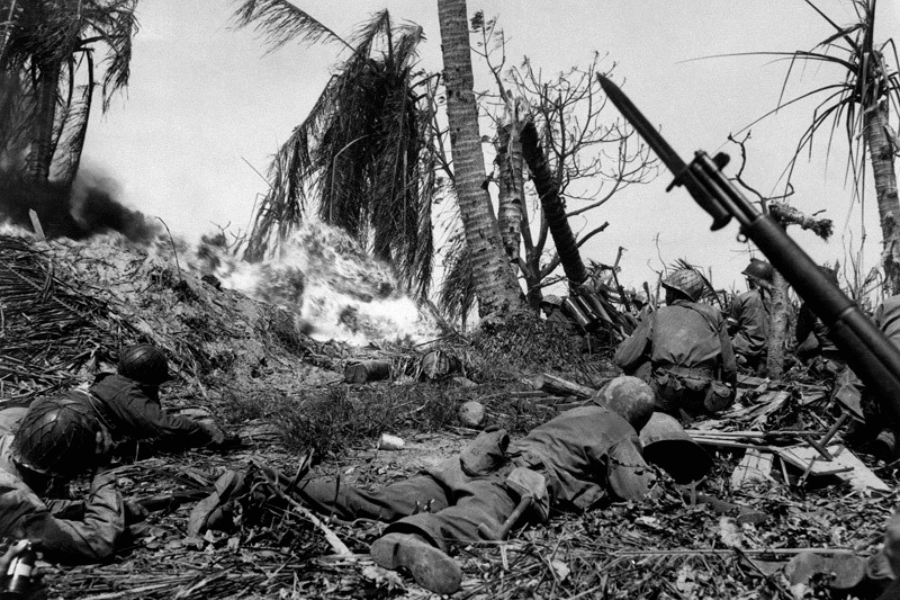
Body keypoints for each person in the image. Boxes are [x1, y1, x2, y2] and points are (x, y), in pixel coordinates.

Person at [286, 376, 658, 595]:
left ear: (605, 395)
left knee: (380, 497)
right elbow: (638, 494)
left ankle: (275, 487)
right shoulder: (620, 432)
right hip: (507, 481)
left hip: (471, 462)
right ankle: (413, 539)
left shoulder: (577, 412)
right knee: (474, 517)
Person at [0, 395, 131, 564]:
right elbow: (98, 541)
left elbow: (37, 502)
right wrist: (101, 470)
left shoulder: (7, 440)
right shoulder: (9, 496)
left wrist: (83, 508)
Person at [614, 268, 737, 419]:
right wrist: (730, 394)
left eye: (668, 292)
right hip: (704, 396)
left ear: (672, 294)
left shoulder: (657, 315)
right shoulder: (713, 315)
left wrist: (626, 343)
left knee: (640, 364)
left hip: (666, 394)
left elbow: (623, 359)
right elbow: (729, 366)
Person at [84, 344, 230, 453]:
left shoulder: (110, 384)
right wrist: (203, 430)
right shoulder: (124, 392)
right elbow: (162, 424)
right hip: (72, 423)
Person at [729, 258, 772, 373]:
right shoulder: (778, 301)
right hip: (768, 353)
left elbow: (730, 327)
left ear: (752, 280)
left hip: (745, 351)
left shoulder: (742, 299)